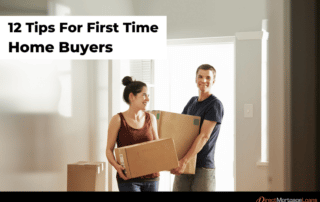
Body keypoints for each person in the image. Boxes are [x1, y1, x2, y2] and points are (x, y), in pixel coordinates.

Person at [171, 64, 224, 191]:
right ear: (195, 79)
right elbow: (180, 129)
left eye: (208, 78)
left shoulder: (215, 104)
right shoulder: (192, 102)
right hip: (185, 164)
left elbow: (204, 136)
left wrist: (183, 161)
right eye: (200, 76)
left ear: (213, 81)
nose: (204, 80)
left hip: (202, 167)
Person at [106, 76, 160, 192]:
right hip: (128, 179)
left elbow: (158, 146)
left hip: (152, 178)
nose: (147, 99)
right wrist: (117, 167)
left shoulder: (151, 118)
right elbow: (109, 150)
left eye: (148, 95)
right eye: (144, 95)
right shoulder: (118, 120)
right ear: (132, 96)